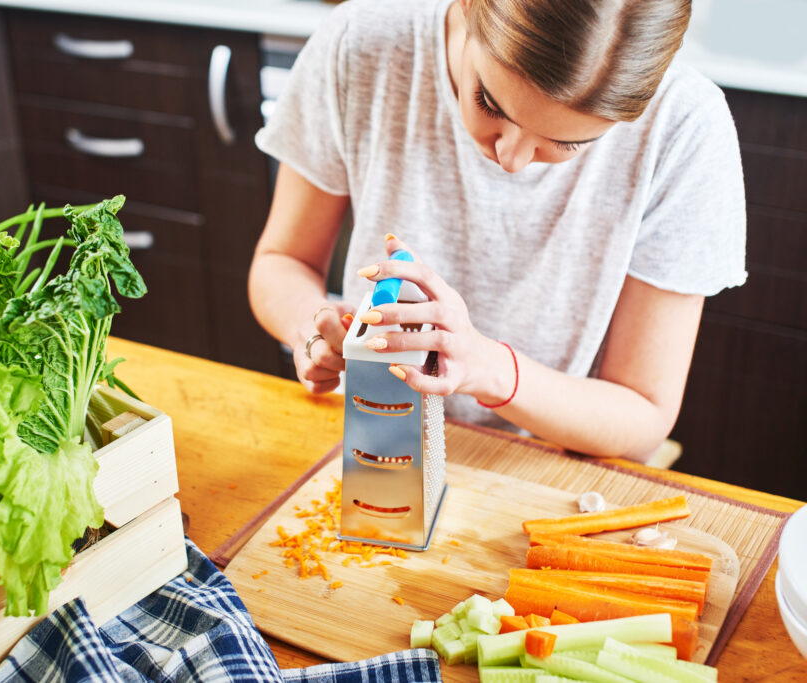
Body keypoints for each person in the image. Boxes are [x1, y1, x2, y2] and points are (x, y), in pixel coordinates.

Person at [247, 0, 746, 462]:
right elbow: (282, 262)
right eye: (489, 102)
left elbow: (644, 415)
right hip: (373, 438)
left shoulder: (685, 128)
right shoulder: (361, 43)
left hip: (552, 465)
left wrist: (486, 367)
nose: (509, 158)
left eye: (564, 143)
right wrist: (313, 327)